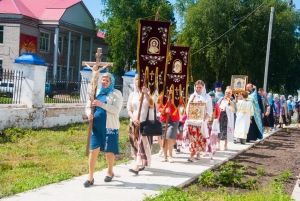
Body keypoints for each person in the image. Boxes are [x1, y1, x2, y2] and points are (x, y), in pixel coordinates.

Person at [84, 73, 123, 187]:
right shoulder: (96, 92)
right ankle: (90, 177)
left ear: (111, 82)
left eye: (106, 80)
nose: (104, 82)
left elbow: (116, 110)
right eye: (103, 80)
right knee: (93, 150)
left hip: (110, 126)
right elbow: (88, 106)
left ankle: (110, 172)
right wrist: (89, 114)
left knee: (108, 151)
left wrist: (101, 105)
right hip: (96, 127)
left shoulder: (116, 93)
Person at [127, 74, 154, 175]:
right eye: (136, 79)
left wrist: (146, 94)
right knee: (135, 144)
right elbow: (129, 109)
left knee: (143, 144)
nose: (137, 81)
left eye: (139, 79)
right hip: (134, 123)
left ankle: (137, 166)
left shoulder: (149, 94)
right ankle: (140, 163)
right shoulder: (132, 95)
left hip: (144, 123)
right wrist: (133, 118)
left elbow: (151, 106)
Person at [185, 80, 212, 162]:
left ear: (203, 88)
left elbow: (209, 110)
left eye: (200, 87)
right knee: (193, 138)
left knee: (200, 138)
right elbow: (188, 108)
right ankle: (192, 155)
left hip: (202, 122)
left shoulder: (207, 97)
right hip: (193, 121)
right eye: (197, 87)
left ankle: (198, 153)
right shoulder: (192, 96)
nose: (198, 89)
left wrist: (205, 117)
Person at [158, 92, 180, 163]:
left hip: (174, 120)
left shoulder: (176, 95)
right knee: (164, 138)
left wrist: (173, 101)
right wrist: (164, 110)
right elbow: (159, 108)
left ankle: (170, 156)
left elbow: (181, 103)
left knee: (170, 137)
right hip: (164, 119)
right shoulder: (161, 96)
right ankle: (165, 157)